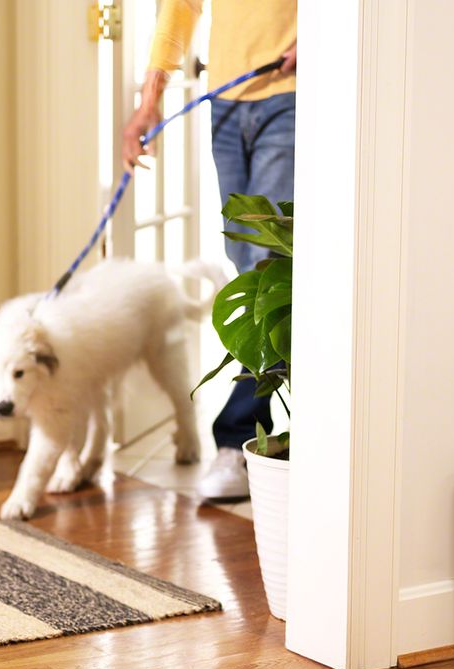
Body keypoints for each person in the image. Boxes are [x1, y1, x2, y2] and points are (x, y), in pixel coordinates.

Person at [122, 0, 296, 501]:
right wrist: (148, 98)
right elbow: (181, 7)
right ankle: (256, 442)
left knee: (268, 266)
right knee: (248, 264)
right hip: (227, 101)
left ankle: (238, 440)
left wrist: (323, 43)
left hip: (291, 94)